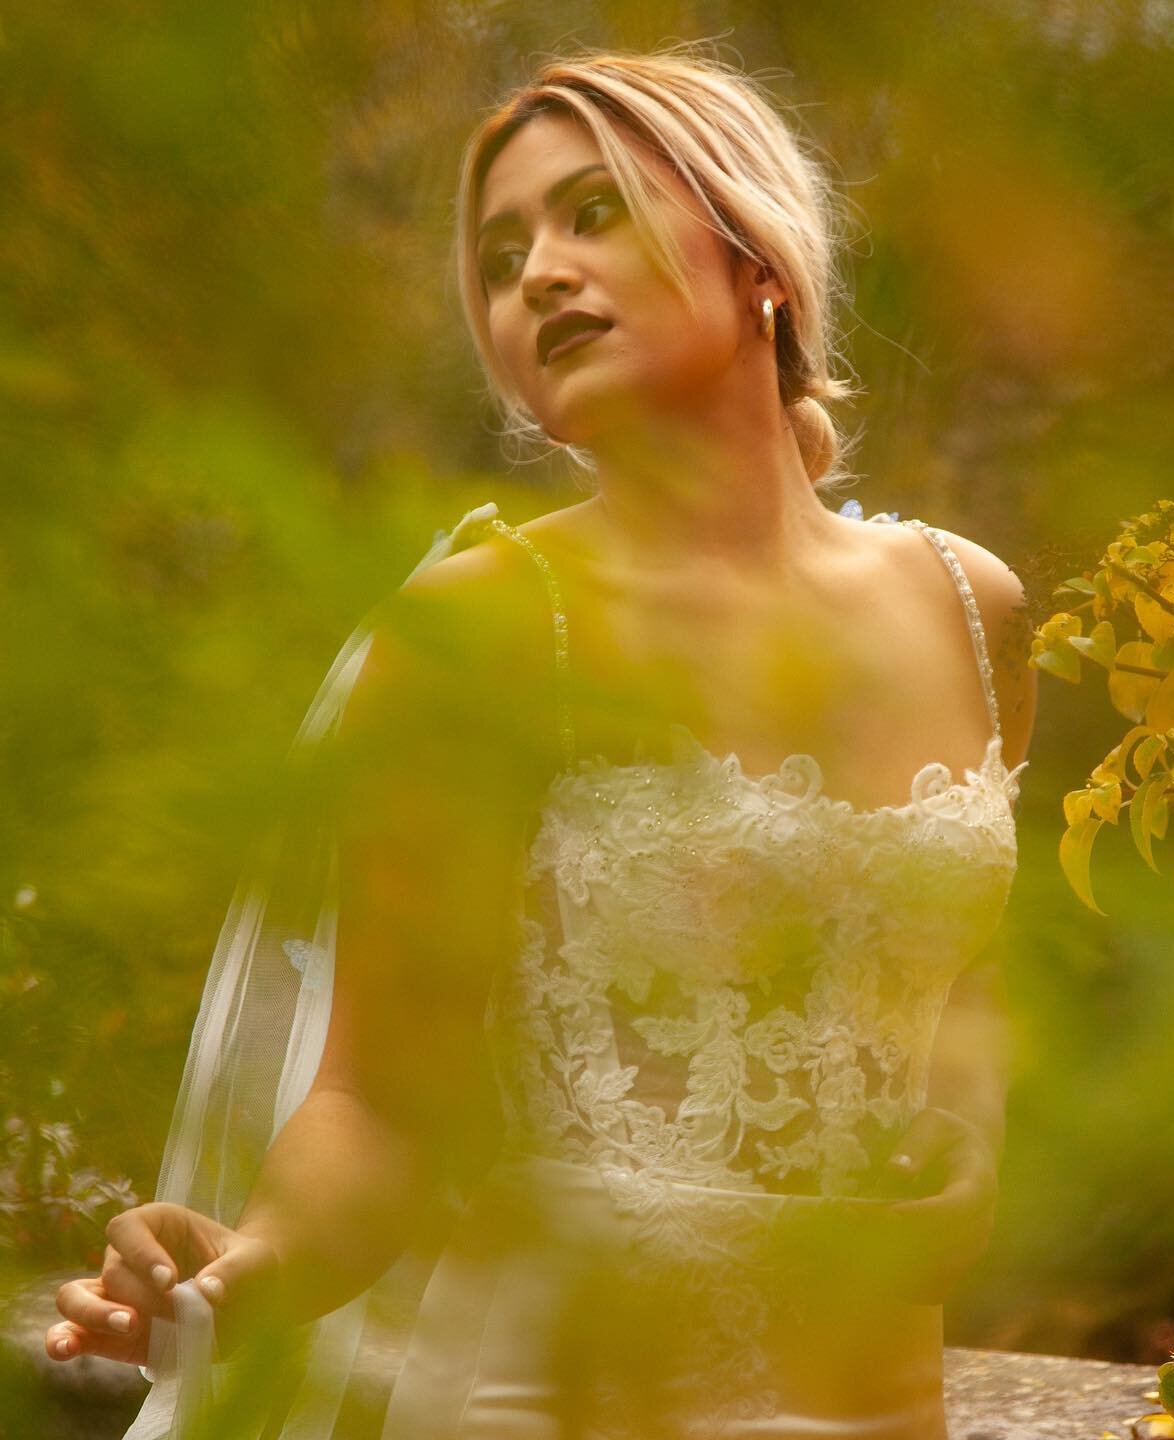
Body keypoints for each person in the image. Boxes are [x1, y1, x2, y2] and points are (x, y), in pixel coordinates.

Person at [46, 44, 1037, 1439]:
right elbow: (382, 1103)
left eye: (593, 214)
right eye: (502, 256)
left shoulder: (968, 608)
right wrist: (253, 1265)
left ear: (757, 258)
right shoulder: (488, 631)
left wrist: (970, 1147)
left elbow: (968, 974)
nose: (538, 277)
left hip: (877, 1397)